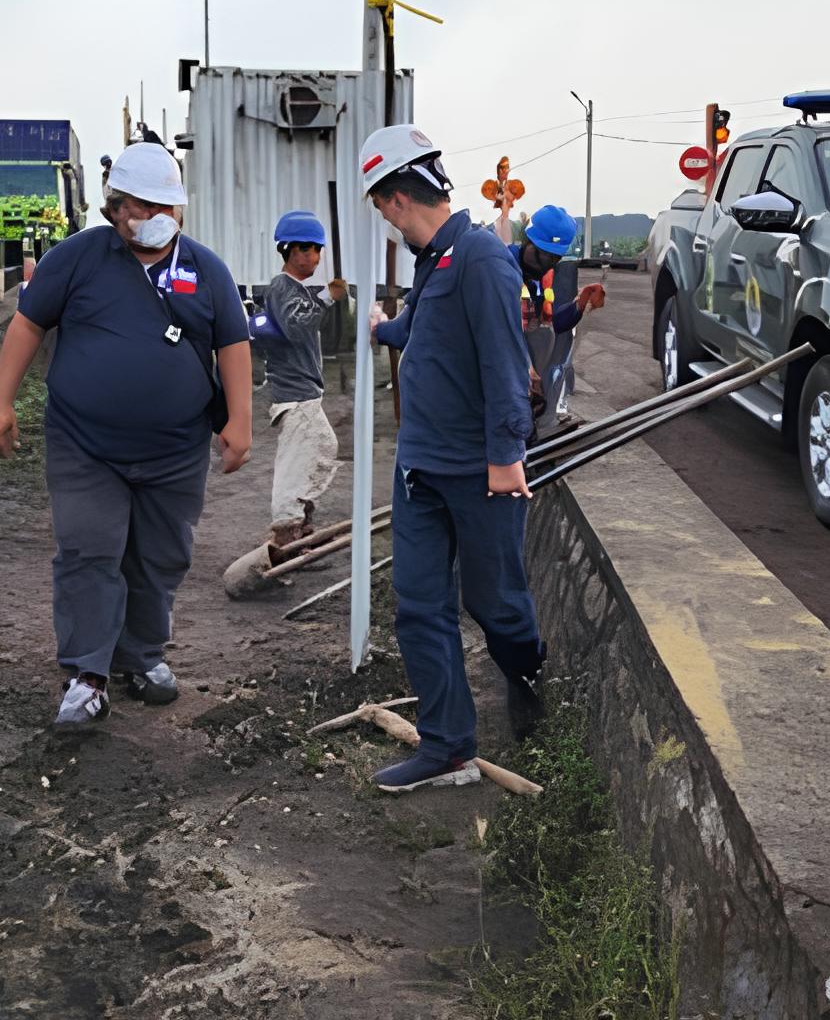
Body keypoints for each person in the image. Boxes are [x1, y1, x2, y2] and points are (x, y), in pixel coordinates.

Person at [0, 141, 253, 727]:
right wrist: (1, 402)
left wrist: (241, 419)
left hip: (175, 450)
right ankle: (88, 674)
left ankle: (143, 655)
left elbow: (232, 343)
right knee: (89, 549)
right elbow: (28, 325)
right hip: (86, 445)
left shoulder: (206, 270)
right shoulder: (77, 258)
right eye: (138, 205)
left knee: (160, 555)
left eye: (162, 206)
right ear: (115, 207)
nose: (151, 217)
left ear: (179, 210)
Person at [359, 124, 545, 793]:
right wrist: (387, 327)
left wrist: (504, 453)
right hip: (420, 472)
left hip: (476, 471)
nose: (385, 219)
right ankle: (446, 747)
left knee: (495, 604)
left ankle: (527, 670)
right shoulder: (433, 262)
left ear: (398, 199)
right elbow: (426, 329)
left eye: (383, 207)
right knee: (419, 607)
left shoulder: (480, 259)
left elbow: (505, 361)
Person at [247, 211, 347, 558]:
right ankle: (286, 533)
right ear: (287, 250)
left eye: (317, 249)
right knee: (301, 459)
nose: (313, 256)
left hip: (303, 393)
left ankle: (299, 525)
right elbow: (296, 328)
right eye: (305, 249)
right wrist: (329, 299)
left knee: (316, 450)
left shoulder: (295, 289)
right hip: (296, 395)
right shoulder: (283, 287)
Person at [498, 202, 607, 433]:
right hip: (499, 371)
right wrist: (524, 368)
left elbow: (554, 324)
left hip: (527, 372)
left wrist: (580, 302)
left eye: (554, 260)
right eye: (544, 256)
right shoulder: (501, 267)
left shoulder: (542, 279)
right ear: (529, 241)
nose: (548, 264)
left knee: (550, 342)